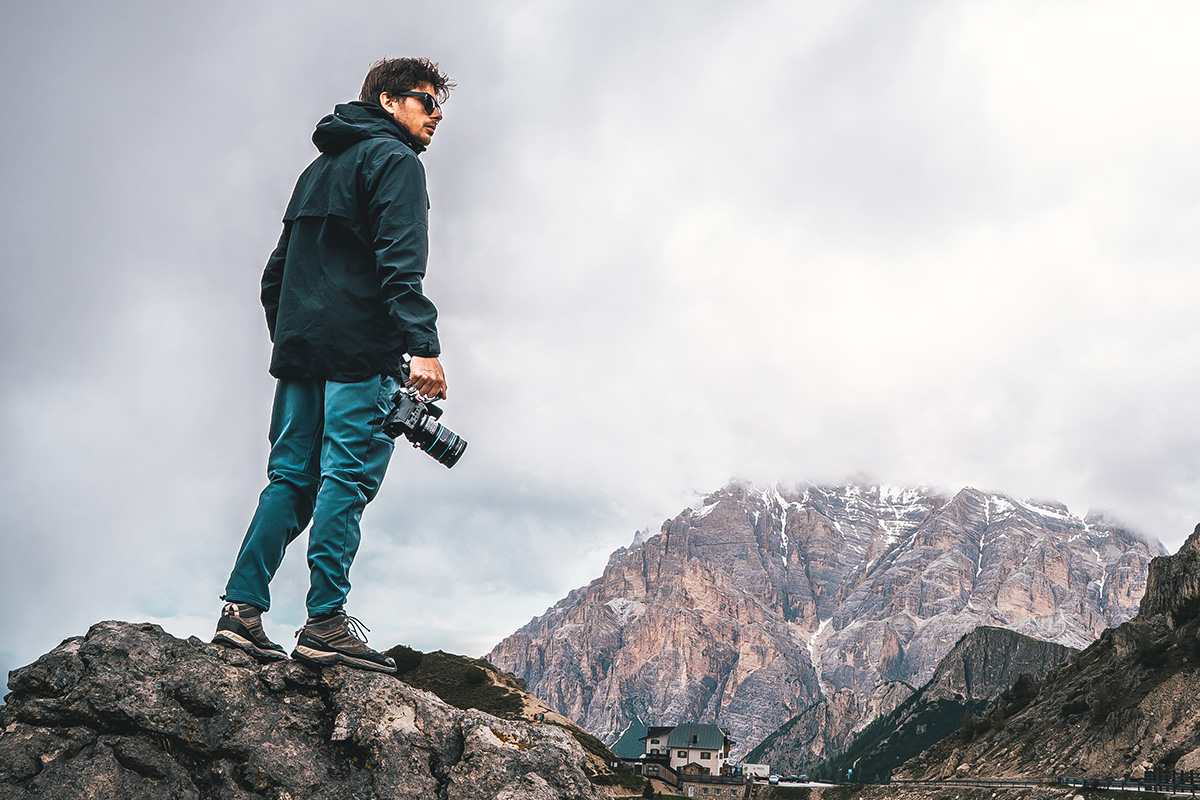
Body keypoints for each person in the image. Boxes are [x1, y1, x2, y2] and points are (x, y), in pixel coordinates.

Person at [213, 57, 453, 673]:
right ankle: (325, 622)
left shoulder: (316, 170)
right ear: (389, 102)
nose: (436, 116)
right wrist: (422, 346)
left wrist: (296, 339)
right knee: (346, 479)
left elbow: (275, 274)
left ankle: (240, 613)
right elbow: (402, 261)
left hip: (302, 356)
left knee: (289, 480)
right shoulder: (396, 162)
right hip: (358, 358)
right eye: (427, 102)